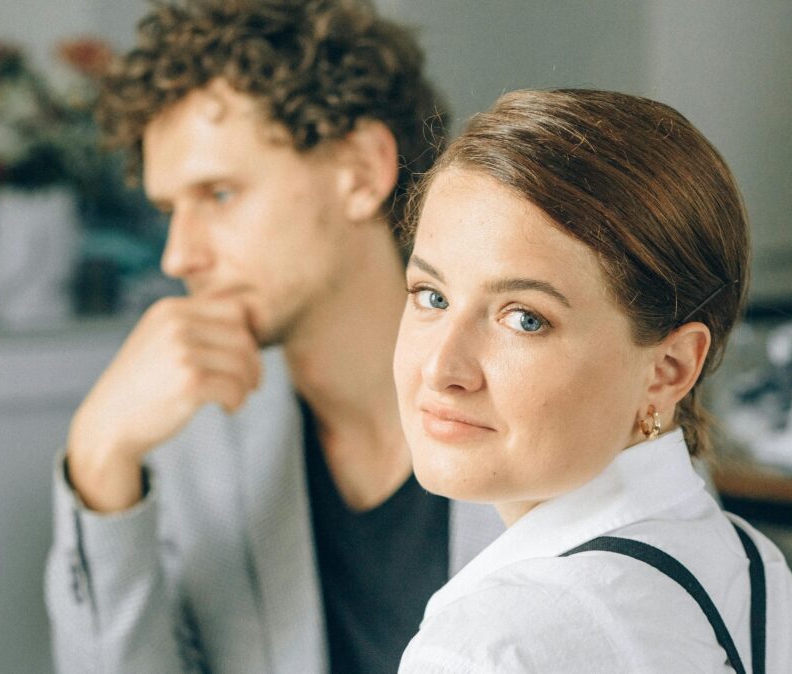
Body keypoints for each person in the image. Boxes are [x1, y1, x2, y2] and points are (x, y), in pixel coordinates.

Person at [44, 1, 504, 673]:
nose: (177, 257)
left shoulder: (548, 406)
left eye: (220, 195)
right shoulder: (192, 443)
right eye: (171, 210)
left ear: (360, 170)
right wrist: (99, 457)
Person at [393, 89, 792, 673]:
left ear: (669, 368)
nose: (441, 369)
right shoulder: (750, 565)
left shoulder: (491, 644)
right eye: (432, 296)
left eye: (526, 319)